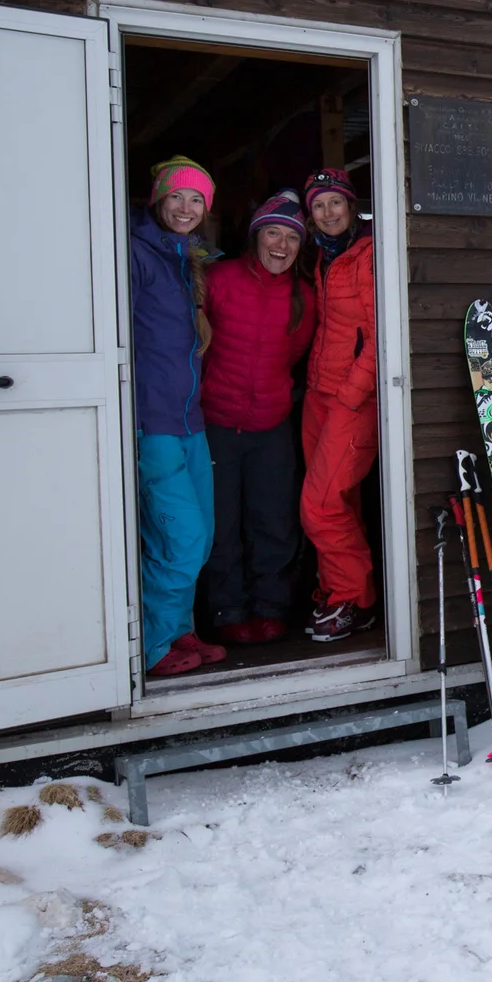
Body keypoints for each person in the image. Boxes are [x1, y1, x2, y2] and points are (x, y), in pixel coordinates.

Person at [200, 190, 315, 645]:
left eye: (291, 237)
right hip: (216, 423)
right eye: (273, 232)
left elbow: (296, 354)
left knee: (273, 520)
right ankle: (227, 609)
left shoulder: (303, 297)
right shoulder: (218, 279)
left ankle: (270, 607)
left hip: (271, 425)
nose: (282, 246)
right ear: (255, 236)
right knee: (221, 522)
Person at [132, 155, 222, 678]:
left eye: (196, 200)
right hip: (155, 421)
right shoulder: (137, 255)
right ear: (159, 200)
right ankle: (155, 642)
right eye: (177, 197)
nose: (186, 208)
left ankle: (179, 626)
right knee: (179, 536)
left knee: (201, 534)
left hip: (190, 418)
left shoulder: (184, 258)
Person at [298, 166, 379, 642]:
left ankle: (353, 598)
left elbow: (377, 336)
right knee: (337, 502)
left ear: (351, 207)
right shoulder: (324, 258)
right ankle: (339, 594)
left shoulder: (366, 256)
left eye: (335, 202)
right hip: (318, 395)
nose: (328, 212)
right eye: (319, 205)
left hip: (352, 399)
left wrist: (351, 393)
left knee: (320, 506)